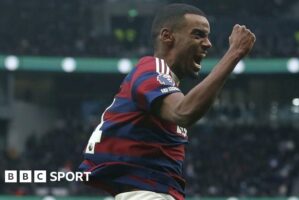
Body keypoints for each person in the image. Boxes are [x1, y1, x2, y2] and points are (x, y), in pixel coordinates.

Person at [79, 3, 255, 200]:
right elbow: (184, 112)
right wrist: (234, 54)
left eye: (207, 36)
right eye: (198, 34)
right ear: (166, 36)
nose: (208, 44)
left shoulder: (164, 85)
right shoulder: (151, 70)